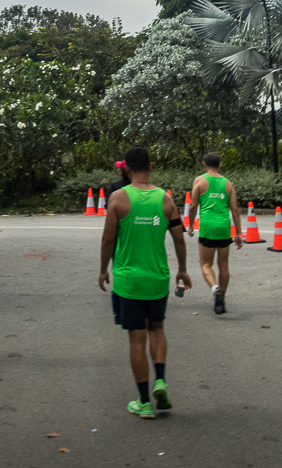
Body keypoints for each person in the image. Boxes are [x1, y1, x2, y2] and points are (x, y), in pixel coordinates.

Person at [99, 147, 192, 419]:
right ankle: (160, 380)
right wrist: (182, 270)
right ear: (151, 167)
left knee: (136, 339)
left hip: (129, 281)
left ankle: (144, 402)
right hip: (157, 278)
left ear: (126, 168)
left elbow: (107, 240)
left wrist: (103, 270)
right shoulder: (165, 200)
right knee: (157, 329)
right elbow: (179, 238)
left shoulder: (117, 199)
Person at [190, 152, 242, 314]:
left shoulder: (199, 181)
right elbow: (234, 209)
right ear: (219, 165)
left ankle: (215, 289)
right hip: (224, 228)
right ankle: (222, 298)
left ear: (204, 164)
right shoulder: (228, 184)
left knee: (205, 264)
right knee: (223, 265)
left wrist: (191, 225)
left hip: (207, 227)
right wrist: (239, 233)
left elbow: (192, 206)